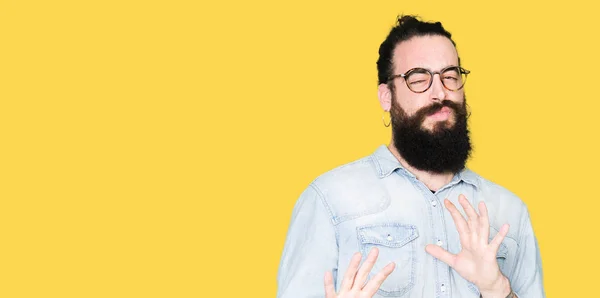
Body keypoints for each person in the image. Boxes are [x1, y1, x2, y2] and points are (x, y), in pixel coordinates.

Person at [276, 15, 545, 298]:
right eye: (418, 79)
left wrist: (497, 289)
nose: (440, 92)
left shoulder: (509, 211)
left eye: (450, 76)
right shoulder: (330, 199)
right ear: (386, 97)